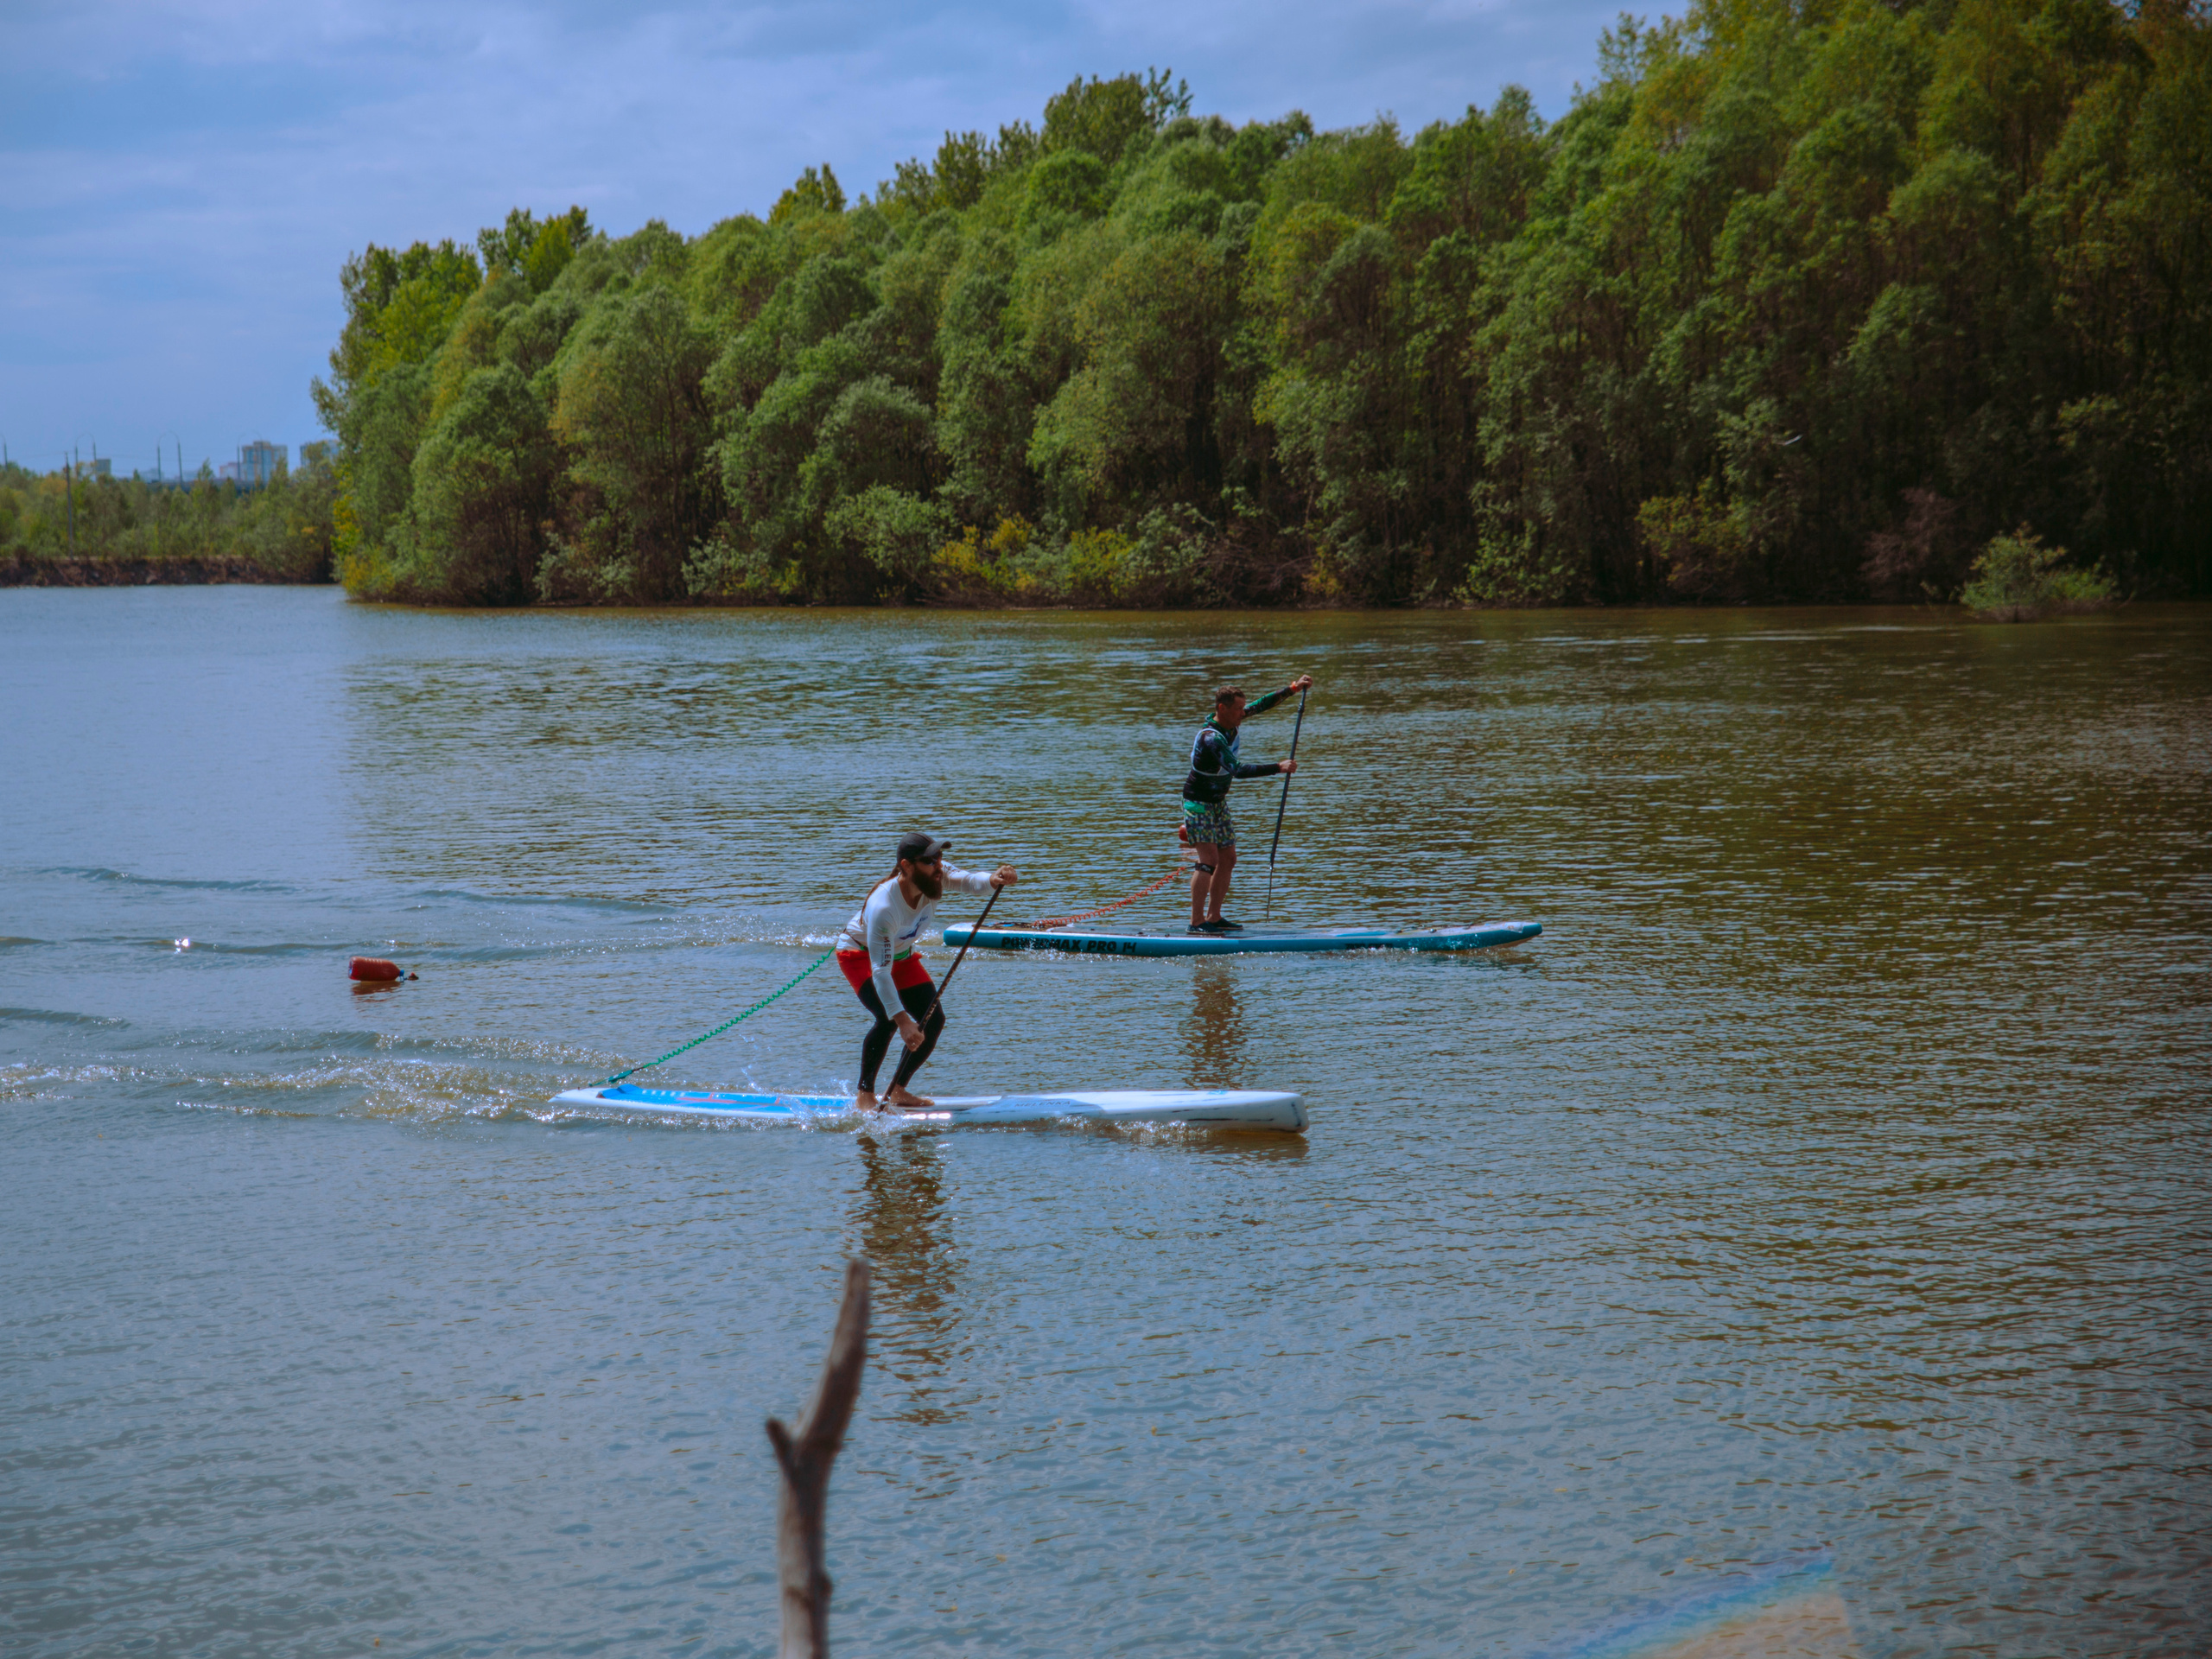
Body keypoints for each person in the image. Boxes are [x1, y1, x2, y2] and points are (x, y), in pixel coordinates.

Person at [836, 831, 1015, 1112]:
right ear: (907, 866)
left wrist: (994, 879)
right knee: (888, 1019)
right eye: (930, 860)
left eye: (939, 857)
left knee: (934, 1020)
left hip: (902, 955)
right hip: (860, 956)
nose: (939, 865)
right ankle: (864, 1095)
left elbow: (968, 880)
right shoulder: (884, 907)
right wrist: (904, 1021)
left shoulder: (935, 874)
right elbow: (881, 972)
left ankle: (897, 1089)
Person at [1181, 675, 1313, 931]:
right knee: (1208, 861)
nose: (1244, 713)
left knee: (1228, 858)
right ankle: (1196, 923)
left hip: (1218, 802)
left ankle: (1214, 918)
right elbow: (1237, 770)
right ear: (1223, 708)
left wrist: (1293, 688)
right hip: (1198, 803)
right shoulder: (1212, 739)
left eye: (1243, 708)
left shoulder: (1231, 721)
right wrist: (1278, 767)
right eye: (1239, 709)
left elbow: (1261, 704)